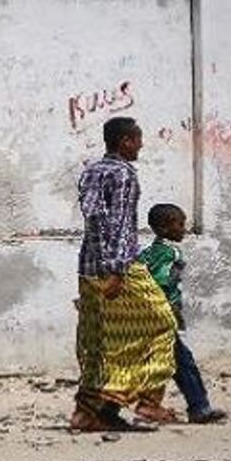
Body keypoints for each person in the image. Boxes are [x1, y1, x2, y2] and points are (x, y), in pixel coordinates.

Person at [71, 116, 177, 432]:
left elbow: (93, 218)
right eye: (138, 139)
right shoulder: (123, 175)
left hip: (88, 267)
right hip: (120, 266)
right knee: (162, 323)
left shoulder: (91, 170)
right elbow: (113, 224)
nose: (141, 145)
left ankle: (89, 412)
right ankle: (148, 401)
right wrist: (116, 271)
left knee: (100, 342)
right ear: (125, 141)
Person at [138, 204, 228, 424]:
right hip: (161, 314)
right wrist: (169, 307)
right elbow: (161, 281)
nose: (184, 229)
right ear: (164, 228)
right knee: (182, 361)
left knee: (168, 361)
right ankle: (198, 408)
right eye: (179, 224)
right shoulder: (170, 253)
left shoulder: (147, 253)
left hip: (147, 315)